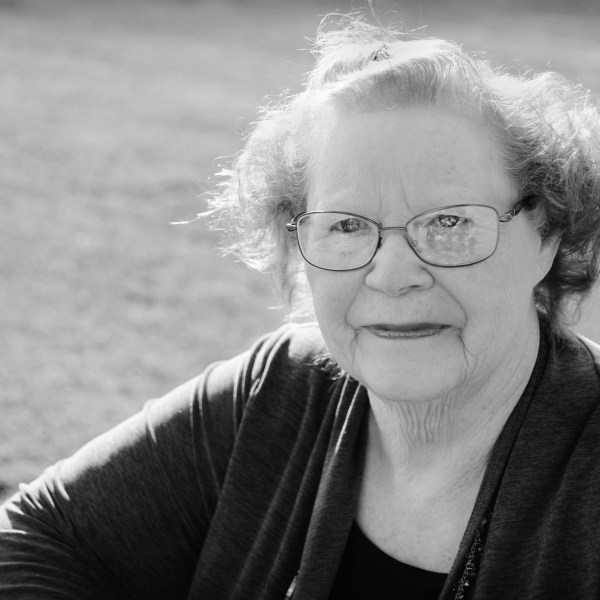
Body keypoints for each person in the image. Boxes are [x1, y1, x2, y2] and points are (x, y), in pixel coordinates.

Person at [2, 13, 600, 600]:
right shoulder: (279, 390)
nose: (392, 276)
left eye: (449, 222)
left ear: (547, 234)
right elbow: (38, 539)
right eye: (346, 225)